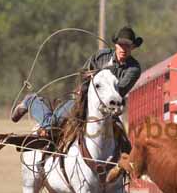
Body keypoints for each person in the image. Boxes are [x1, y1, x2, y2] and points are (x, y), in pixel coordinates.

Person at [10, 26, 143, 130]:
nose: (123, 49)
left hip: (108, 109)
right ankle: (31, 101)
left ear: (133, 47)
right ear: (116, 45)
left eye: (127, 45)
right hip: (83, 99)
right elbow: (82, 74)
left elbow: (118, 90)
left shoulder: (134, 69)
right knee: (52, 124)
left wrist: (101, 76)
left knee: (124, 146)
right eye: (121, 44)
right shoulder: (101, 56)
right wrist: (85, 81)